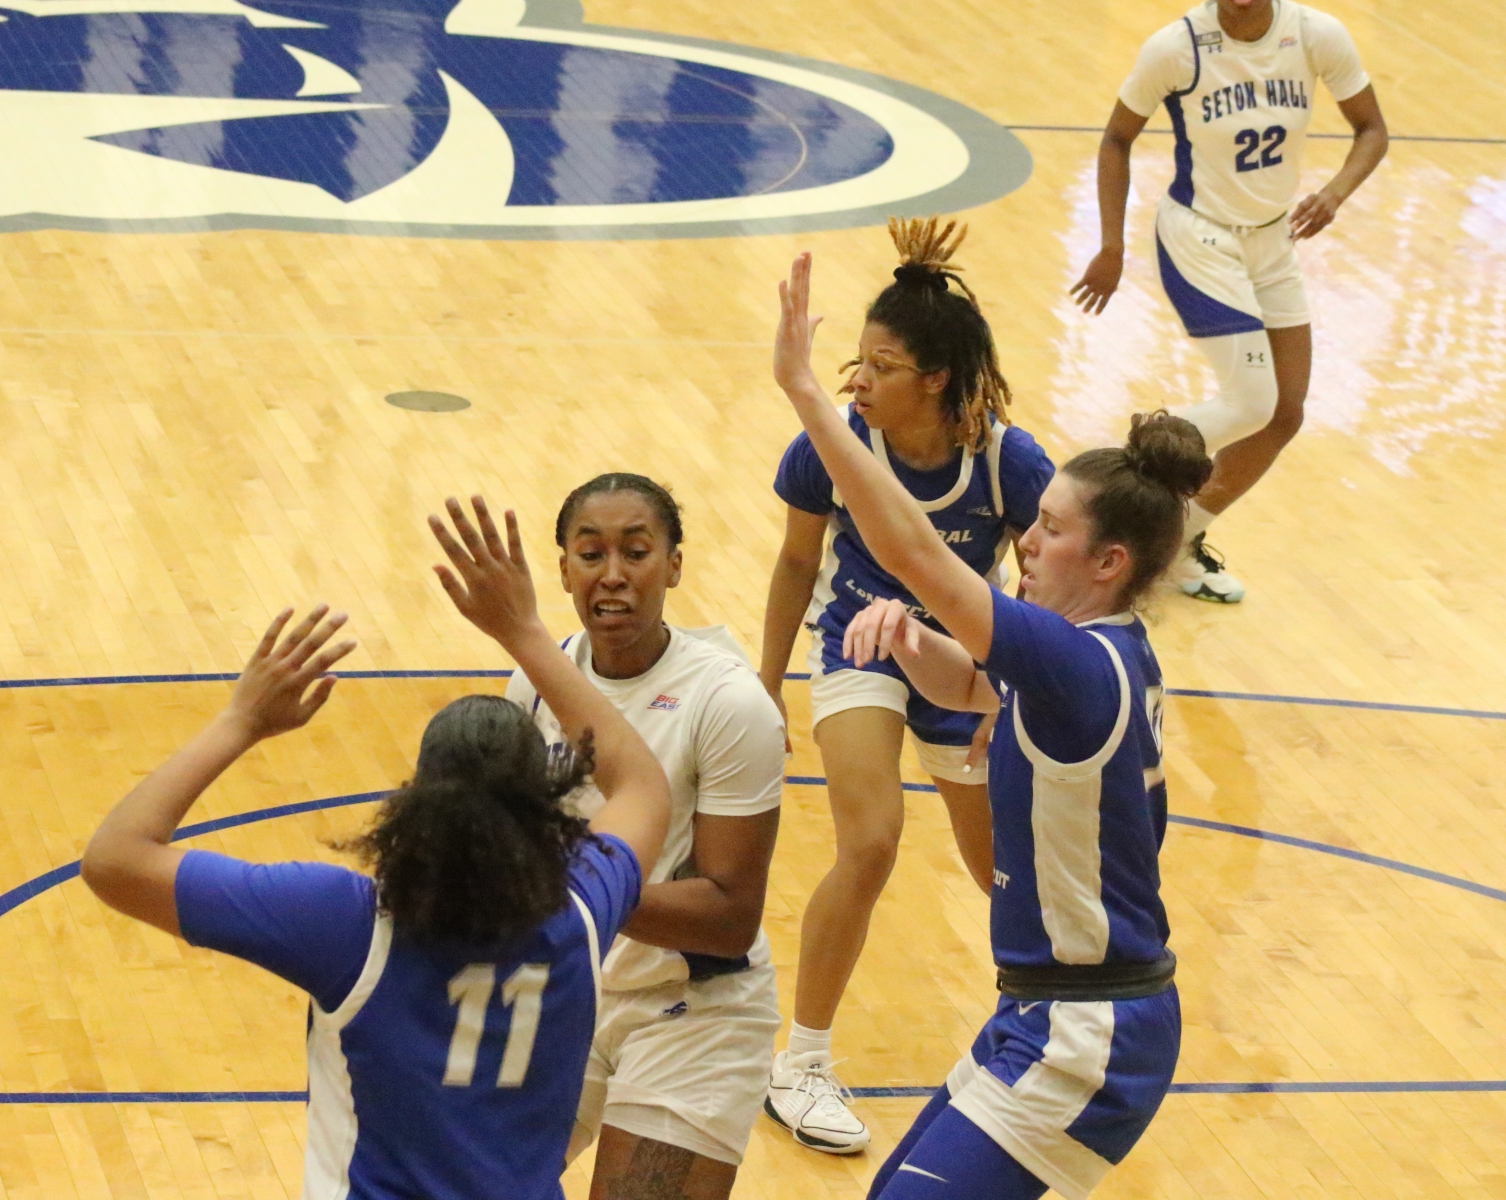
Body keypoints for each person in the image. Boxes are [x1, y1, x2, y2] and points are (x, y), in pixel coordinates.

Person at [79, 494, 673, 1200]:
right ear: (549, 807)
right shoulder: (583, 907)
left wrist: (242, 721)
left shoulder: (346, 923)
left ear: (414, 806)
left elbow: (114, 858)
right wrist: (524, 633)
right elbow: (641, 784)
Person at [777, 247, 1207, 1199]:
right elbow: (980, 687)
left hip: (1088, 1033)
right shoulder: (1102, 652)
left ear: (1110, 563)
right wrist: (909, 641)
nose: (1029, 543)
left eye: (1050, 529)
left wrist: (807, 393)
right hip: (1046, 1013)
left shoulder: (1070, 662)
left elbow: (915, 551)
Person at [762, 217, 1055, 1156]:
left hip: (964, 671)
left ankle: (1041, 1035)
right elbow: (795, 564)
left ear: (935, 379)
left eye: (881, 367)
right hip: (858, 648)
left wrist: (1011, 693)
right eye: (855, 362)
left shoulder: (1009, 461)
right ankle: (801, 1062)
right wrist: (766, 683)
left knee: (1004, 872)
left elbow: (1046, 587)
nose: (858, 381)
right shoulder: (832, 446)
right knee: (873, 841)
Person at [507, 473, 786, 1200]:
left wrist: (562, 882)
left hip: (695, 1009)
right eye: (591, 553)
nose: (613, 574)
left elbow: (729, 917)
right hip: (571, 991)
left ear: (674, 566)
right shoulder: (535, 683)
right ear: (563, 569)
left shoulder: (728, 702)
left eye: (635, 552)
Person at [1071, 0, 1387, 602]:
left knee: (1284, 413)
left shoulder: (1315, 34)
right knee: (1251, 400)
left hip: (1273, 239)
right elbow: (1116, 139)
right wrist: (1111, 245)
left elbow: (1372, 129)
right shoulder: (1176, 47)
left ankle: (1174, 540)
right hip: (1198, 236)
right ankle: (1113, 479)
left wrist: (1335, 193)